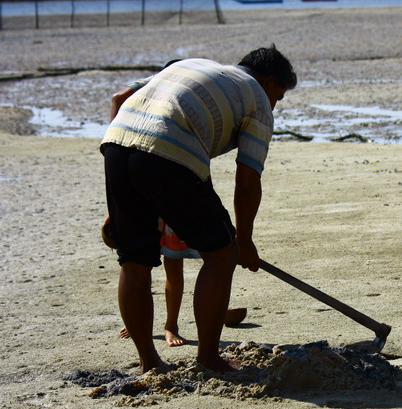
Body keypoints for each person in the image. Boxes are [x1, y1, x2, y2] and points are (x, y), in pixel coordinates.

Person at [101, 45, 297, 374]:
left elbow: (120, 100)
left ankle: (150, 362)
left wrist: (124, 191)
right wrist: (244, 243)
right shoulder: (257, 99)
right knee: (221, 254)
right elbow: (247, 181)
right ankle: (209, 357)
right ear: (267, 81)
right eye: (278, 95)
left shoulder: (192, 65)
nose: (274, 104)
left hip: (116, 143)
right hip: (169, 152)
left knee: (134, 262)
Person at [108, 67, 246, 348]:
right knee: (153, 261)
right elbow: (118, 97)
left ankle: (167, 329)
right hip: (164, 172)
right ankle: (197, 347)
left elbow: (118, 98)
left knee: (151, 263)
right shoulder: (188, 85)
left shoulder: (165, 83)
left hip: (130, 156)